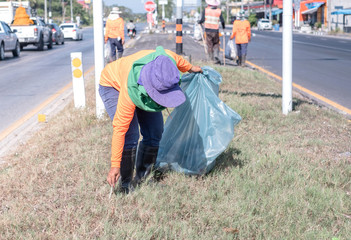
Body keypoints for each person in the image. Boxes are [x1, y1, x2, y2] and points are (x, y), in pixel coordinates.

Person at [99, 46, 202, 193]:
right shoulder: (129, 91)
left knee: (155, 131)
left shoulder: (166, 61)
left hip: (142, 83)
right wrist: (114, 166)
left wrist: (191, 68)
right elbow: (120, 130)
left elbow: (176, 58)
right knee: (130, 133)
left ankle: (143, 179)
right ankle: (126, 185)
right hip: (113, 85)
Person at [198, 0, 225, 64]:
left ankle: (211, 59)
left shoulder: (206, 10)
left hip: (208, 30)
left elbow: (202, 20)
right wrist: (223, 27)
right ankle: (216, 57)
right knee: (216, 43)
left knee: (209, 44)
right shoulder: (219, 11)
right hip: (215, 30)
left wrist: (199, 22)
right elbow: (222, 21)